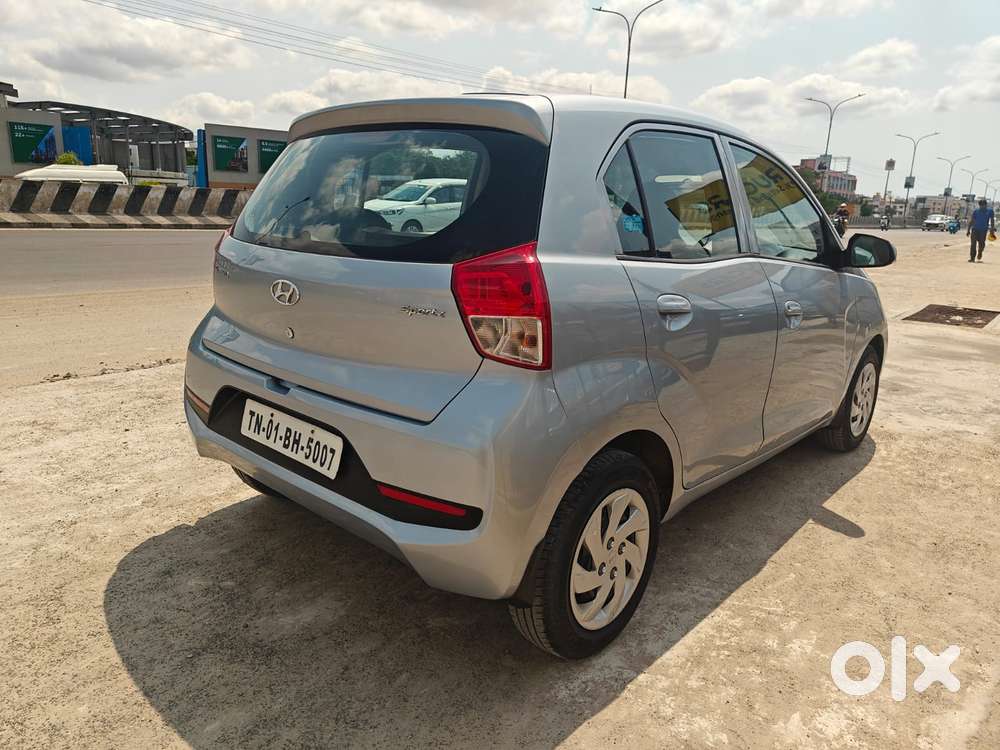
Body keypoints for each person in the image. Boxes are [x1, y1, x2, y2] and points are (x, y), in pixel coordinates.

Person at [967, 198, 996, 263]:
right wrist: (968, 230)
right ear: (979, 205)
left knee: (982, 244)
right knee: (973, 244)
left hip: (983, 231)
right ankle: (972, 258)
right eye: (981, 205)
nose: (982, 206)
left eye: (983, 205)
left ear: (986, 205)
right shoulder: (976, 211)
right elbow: (972, 221)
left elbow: (992, 220)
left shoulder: (990, 211)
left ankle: (980, 252)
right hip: (974, 230)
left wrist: (992, 229)